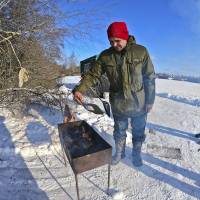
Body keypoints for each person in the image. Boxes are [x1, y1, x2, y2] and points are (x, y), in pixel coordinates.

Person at [73, 22, 155, 167]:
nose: (114, 44)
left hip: (139, 103)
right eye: (111, 41)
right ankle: (119, 152)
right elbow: (93, 75)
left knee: (138, 131)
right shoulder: (106, 56)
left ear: (125, 36)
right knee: (119, 130)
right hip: (119, 103)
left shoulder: (141, 52)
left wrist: (150, 100)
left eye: (117, 40)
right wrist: (80, 89)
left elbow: (149, 77)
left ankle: (136, 154)